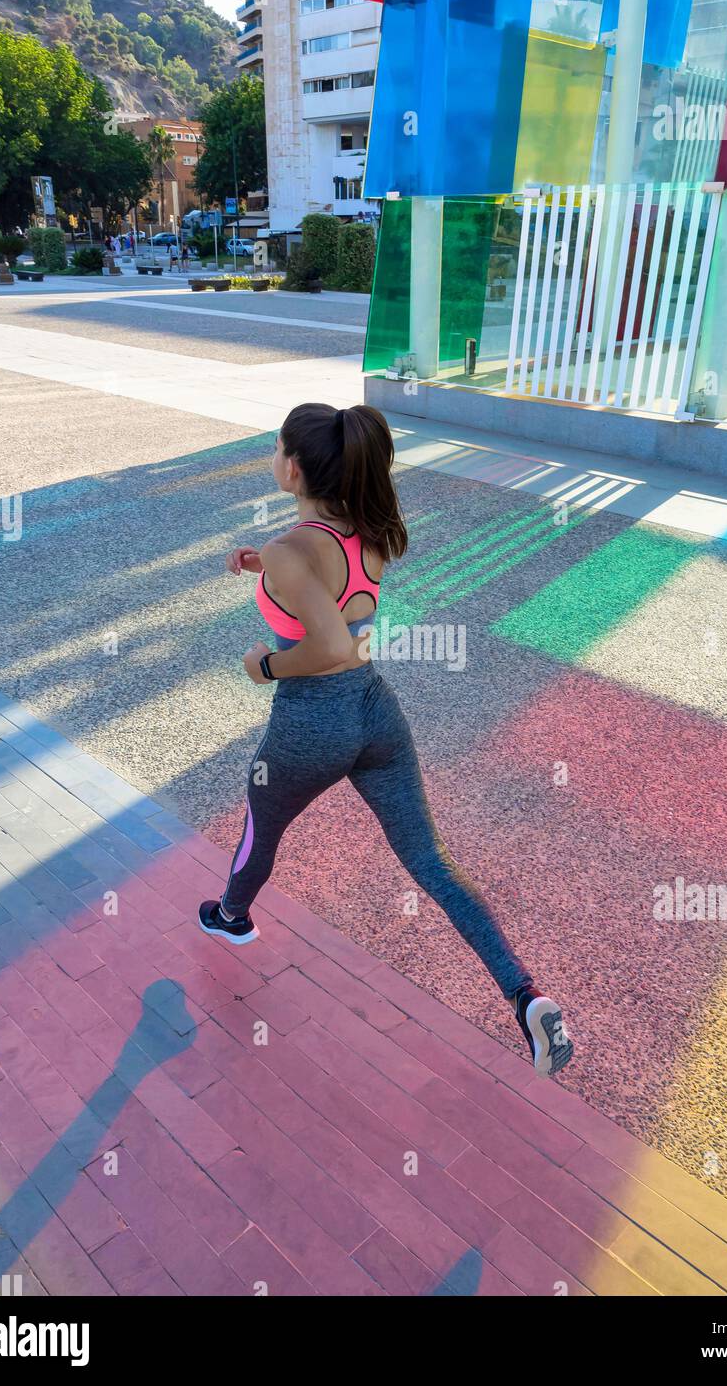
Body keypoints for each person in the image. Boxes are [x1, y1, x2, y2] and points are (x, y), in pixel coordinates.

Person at [199, 403, 573, 1077]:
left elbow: (330, 644)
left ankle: (231, 915)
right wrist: (270, 569)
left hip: (308, 726)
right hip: (378, 718)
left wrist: (263, 667)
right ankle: (525, 995)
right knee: (430, 861)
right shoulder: (367, 533)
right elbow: (335, 592)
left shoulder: (291, 552)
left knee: (261, 828)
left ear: (292, 466)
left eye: (277, 447)